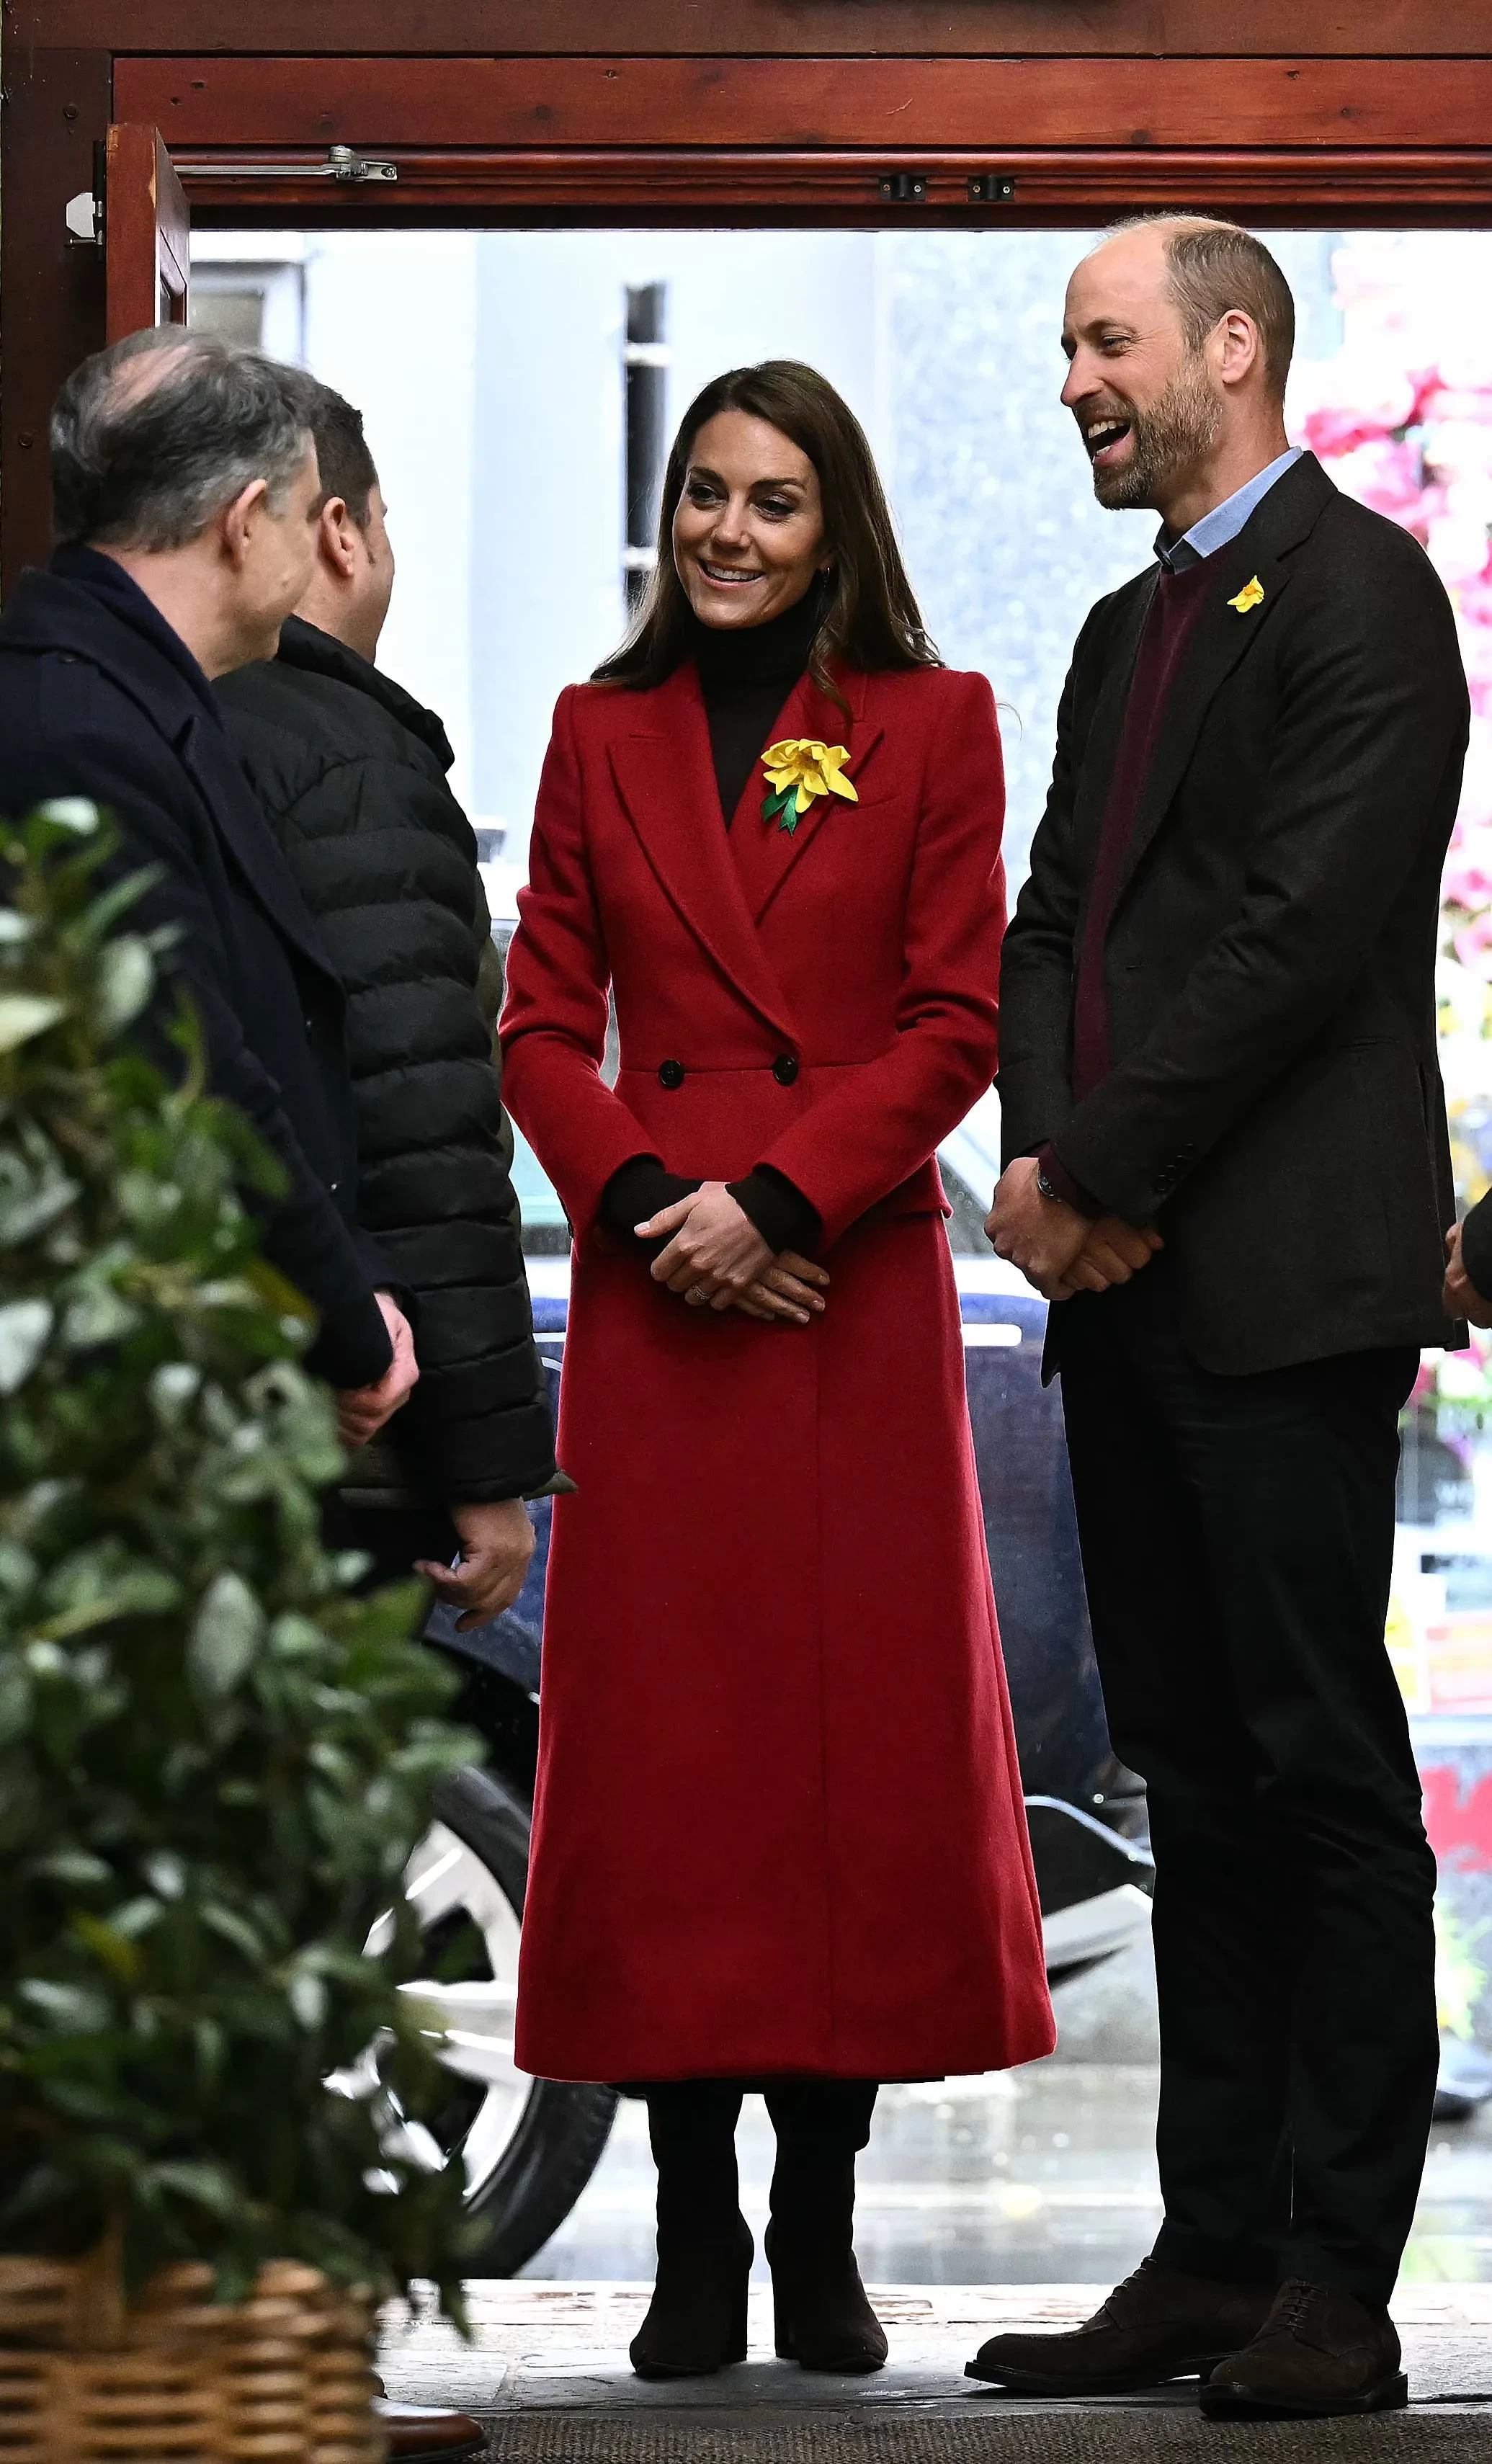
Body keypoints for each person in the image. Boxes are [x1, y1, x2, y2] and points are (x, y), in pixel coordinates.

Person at [500, 358, 1053, 2383]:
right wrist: (661, 1200)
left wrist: (784, 1199)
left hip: (841, 1293)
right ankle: (690, 2230)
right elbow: (535, 1023)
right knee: (671, 1774)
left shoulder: (933, 719)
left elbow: (954, 1020)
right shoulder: (599, 726)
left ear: (836, 533)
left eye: (773, 500)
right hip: (661, 1300)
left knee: (845, 1769)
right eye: (704, 493)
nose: (728, 531)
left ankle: (816, 2221)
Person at [976, 218, 1468, 2419]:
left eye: (1103, 341)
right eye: (1063, 345)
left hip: (1275, 1288)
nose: (1070, 381)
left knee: (1314, 1771)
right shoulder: (1120, 628)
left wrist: (1096, 1174)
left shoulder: (1361, 597)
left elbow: (1292, 941)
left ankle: (1333, 2283)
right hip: (1121, 1290)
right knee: (1186, 1771)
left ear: (1231, 347)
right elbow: (1049, 921)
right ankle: (1209, 2249)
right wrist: (1037, 1169)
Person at [0, 329, 416, 1447]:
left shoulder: (127, 697)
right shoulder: (83, 733)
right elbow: (190, 1076)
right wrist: (349, 1325)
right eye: (305, 511)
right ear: (244, 523)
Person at [217, 379, 558, 1664]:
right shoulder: (354, 761)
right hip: (352, 1433)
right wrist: (485, 1465)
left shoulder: (147, 725)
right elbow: (424, 1131)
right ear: (340, 532)